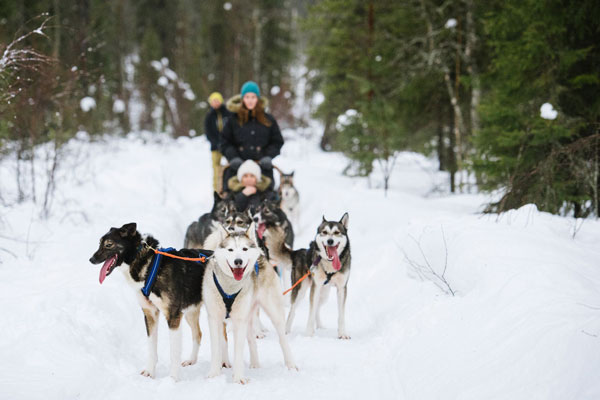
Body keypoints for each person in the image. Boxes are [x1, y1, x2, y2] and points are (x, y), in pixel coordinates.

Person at [220, 81, 284, 189]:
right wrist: (233, 157)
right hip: (237, 169)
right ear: (242, 99)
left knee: (269, 199)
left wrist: (268, 156)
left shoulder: (268, 119)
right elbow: (224, 142)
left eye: (253, 97)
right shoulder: (233, 120)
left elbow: (277, 141)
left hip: (263, 168)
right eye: (247, 97)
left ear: (258, 99)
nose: (250, 100)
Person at [204, 92, 232, 192]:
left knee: (230, 167)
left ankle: (229, 189)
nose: (215, 103)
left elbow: (231, 128)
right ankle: (217, 191)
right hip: (215, 147)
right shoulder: (209, 116)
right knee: (216, 170)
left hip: (228, 146)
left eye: (217, 100)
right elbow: (208, 132)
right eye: (213, 101)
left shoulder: (228, 113)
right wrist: (216, 143)